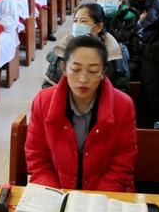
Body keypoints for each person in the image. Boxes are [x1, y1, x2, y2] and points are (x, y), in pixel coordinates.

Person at [25, 36, 137, 192]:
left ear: (103, 72)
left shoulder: (123, 105)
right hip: (55, 194)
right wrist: (54, 196)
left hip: (106, 195)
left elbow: (122, 163)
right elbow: (37, 158)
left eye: (92, 71)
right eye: (76, 69)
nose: (83, 79)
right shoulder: (43, 101)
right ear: (64, 68)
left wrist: (95, 200)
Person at [43, 4, 130, 94]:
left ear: (98, 27)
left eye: (83, 21)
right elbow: (49, 84)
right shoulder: (62, 49)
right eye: (76, 21)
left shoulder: (115, 52)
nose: (77, 25)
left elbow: (122, 89)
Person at [94, 0, 144, 79]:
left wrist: (122, 74)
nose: (104, 1)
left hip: (124, 74)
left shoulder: (131, 20)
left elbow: (137, 57)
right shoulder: (94, 22)